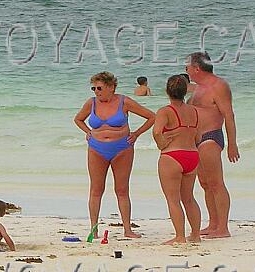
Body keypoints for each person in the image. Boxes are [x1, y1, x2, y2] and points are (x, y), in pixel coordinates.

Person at [74, 72, 155, 239]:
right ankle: (94, 229)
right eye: (94, 88)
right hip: (96, 149)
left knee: (122, 190)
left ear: (111, 87)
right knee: (96, 190)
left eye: (100, 88)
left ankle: (127, 229)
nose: (96, 91)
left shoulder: (124, 102)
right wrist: (88, 132)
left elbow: (151, 117)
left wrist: (137, 134)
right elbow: (78, 119)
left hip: (122, 149)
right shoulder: (92, 103)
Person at [185, 52, 239, 239]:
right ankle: (213, 223)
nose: (187, 70)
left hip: (210, 137)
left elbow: (229, 116)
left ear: (197, 68)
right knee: (205, 183)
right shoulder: (198, 88)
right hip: (196, 139)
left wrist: (233, 144)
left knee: (216, 183)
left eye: (188, 67)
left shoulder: (219, 86)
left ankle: (223, 227)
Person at [153, 75, 202, 245]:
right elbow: (199, 136)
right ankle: (196, 234)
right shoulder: (193, 110)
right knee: (189, 198)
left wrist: (162, 144)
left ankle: (180, 236)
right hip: (192, 155)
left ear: (167, 91)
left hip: (172, 156)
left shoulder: (165, 111)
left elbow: (157, 132)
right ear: (185, 91)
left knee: (172, 199)